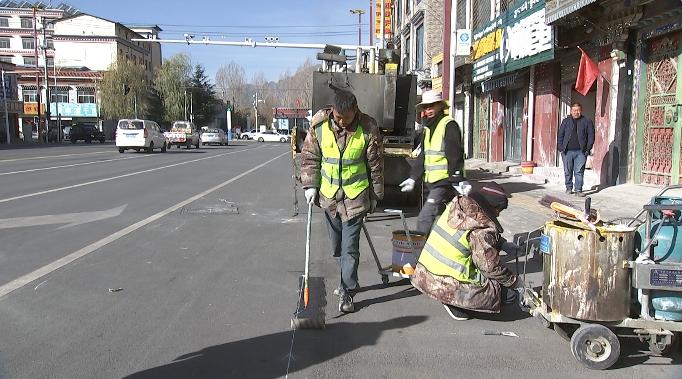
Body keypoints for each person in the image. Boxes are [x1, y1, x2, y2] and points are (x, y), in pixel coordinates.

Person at [300, 89, 384, 313]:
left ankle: (347, 291)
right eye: (337, 117)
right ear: (333, 111)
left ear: (354, 111)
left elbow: (375, 164)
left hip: (356, 198)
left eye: (345, 118)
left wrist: (376, 195)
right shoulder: (319, 125)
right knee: (337, 247)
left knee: (349, 249)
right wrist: (310, 185)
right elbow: (310, 156)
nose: (340, 121)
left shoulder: (368, 128)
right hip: (329, 199)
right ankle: (345, 280)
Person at [410, 182, 524, 320]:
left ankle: (453, 299)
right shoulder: (481, 229)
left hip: (424, 274)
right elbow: (490, 267)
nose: (498, 215)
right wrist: (515, 282)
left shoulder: (457, 206)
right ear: (493, 207)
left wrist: (503, 244)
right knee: (509, 295)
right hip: (446, 284)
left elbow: (475, 238)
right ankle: (456, 306)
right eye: (499, 210)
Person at [398, 90, 469, 235]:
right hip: (432, 183)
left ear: (440, 106)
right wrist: (413, 177)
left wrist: (457, 178)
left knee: (425, 217)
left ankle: (418, 250)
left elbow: (455, 154)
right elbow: (423, 156)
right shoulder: (428, 129)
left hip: (444, 182)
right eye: (426, 107)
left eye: (431, 106)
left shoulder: (448, 125)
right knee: (449, 219)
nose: (428, 110)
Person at [557, 102, 595, 197]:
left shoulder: (587, 121)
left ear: (581, 111)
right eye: (574, 110)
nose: (576, 112)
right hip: (567, 151)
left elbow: (591, 136)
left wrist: (588, 149)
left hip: (581, 152)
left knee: (579, 171)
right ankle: (569, 188)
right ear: (571, 111)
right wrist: (561, 148)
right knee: (568, 171)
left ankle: (578, 190)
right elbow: (560, 135)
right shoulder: (566, 121)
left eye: (578, 110)